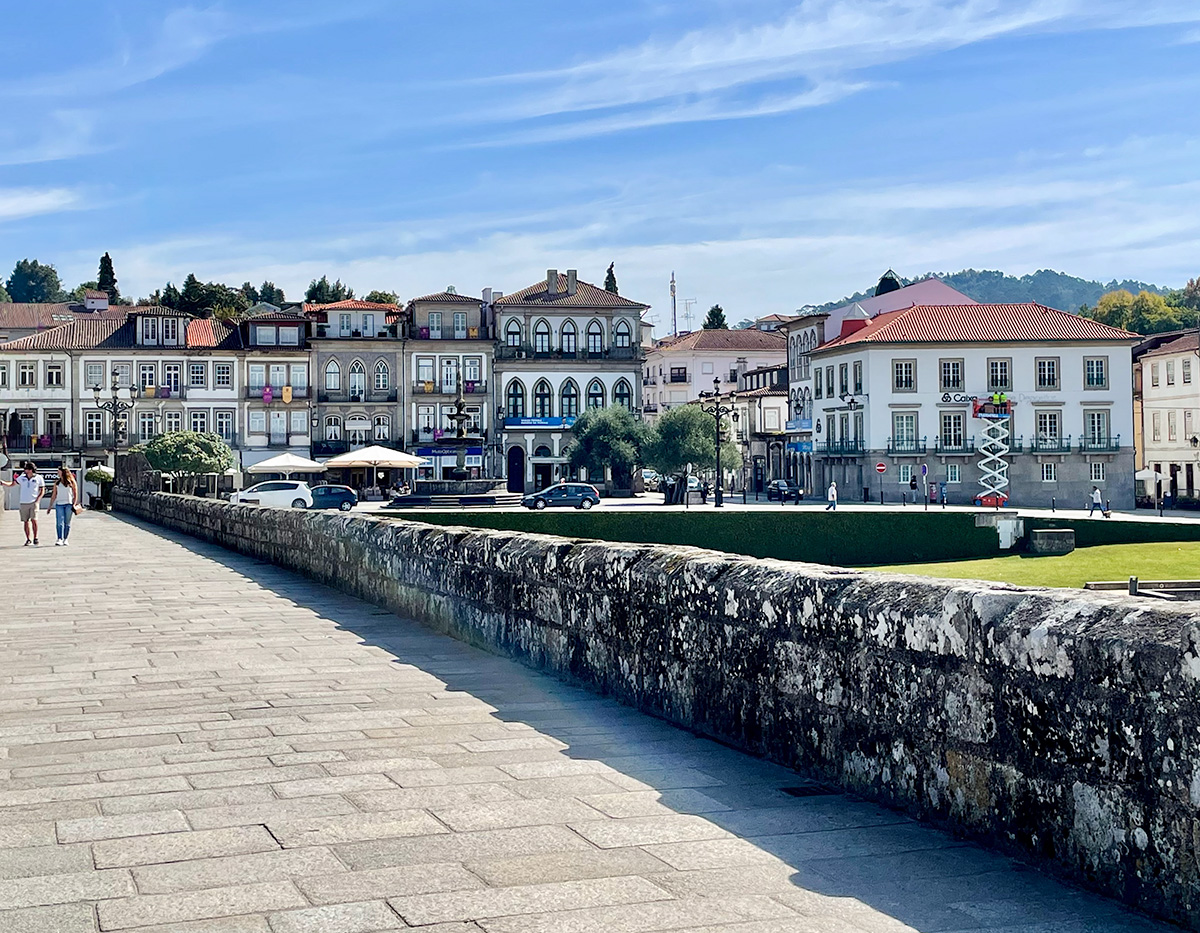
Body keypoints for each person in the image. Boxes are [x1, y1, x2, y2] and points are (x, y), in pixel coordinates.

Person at [2, 461, 45, 545]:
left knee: (34, 520)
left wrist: (38, 500)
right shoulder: (22, 477)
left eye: (26, 469)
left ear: (31, 470)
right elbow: (12, 484)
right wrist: (4, 483)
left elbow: (42, 490)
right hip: (23, 502)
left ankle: (35, 538)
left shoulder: (38, 478)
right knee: (25, 521)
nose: (25, 470)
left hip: (33, 502)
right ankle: (28, 539)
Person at [46, 466, 79, 545]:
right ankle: (59, 538)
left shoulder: (71, 482)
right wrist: (50, 506)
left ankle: (65, 539)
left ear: (63, 472)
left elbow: (75, 493)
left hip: (69, 504)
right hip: (59, 504)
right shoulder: (57, 483)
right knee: (59, 522)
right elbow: (54, 495)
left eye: (59, 471)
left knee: (67, 522)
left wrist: (74, 504)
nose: (58, 473)